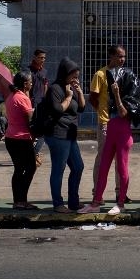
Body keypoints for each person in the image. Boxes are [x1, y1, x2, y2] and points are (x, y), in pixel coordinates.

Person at [79, 57, 140, 216]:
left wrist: (117, 94)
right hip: (111, 129)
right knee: (103, 166)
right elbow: (98, 100)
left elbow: (123, 113)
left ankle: (121, 203)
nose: (115, 81)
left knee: (121, 167)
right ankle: (96, 201)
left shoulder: (128, 97)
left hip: (122, 133)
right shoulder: (109, 91)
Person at [42, 58, 86, 213]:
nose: (76, 79)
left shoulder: (71, 88)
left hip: (70, 134)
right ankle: (58, 204)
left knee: (78, 167)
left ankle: (73, 201)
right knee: (58, 169)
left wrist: (79, 92)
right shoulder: (55, 89)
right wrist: (68, 96)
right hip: (58, 134)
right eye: (73, 76)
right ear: (65, 74)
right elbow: (57, 110)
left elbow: (80, 108)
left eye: (77, 77)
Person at [89, 45, 128, 204]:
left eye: (124, 56)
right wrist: (102, 113)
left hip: (121, 124)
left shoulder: (125, 74)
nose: (122, 59)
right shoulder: (100, 74)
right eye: (119, 56)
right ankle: (97, 193)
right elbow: (93, 97)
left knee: (121, 161)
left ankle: (120, 192)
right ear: (111, 56)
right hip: (105, 123)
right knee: (103, 159)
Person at [3, 70, 39, 210]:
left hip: (11, 138)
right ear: (25, 84)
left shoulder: (12, 96)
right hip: (21, 139)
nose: (32, 83)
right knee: (30, 168)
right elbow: (30, 118)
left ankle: (18, 200)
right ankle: (21, 200)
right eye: (30, 81)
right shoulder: (22, 98)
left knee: (19, 169)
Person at [29, 49, 48, 166]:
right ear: (35, 57)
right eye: (41, 57)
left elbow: (46, 85)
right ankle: (33, 155)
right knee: (31, 132)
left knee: (42, 132)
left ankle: (34, 153)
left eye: (44, 58)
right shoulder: (28, 71)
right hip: (31, 105)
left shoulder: (44, 71)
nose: (43, 60)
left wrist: (45, 99)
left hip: (41, 105)